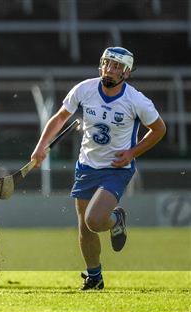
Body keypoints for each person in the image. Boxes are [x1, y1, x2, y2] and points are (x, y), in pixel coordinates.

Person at [30, 47, 166, 290]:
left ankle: (116, 220)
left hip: (116, 168)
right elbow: (60, 117)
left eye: (117, 66)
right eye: (107, 63)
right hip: (86, 166)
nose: (110, 70)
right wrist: (41, 146)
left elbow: (159, 129)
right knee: (84, 225)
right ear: (101, 64)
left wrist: (132, 154)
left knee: (95, 219)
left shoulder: (136, 100)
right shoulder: (85, 89)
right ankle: (94, 277)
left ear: (126, 72)